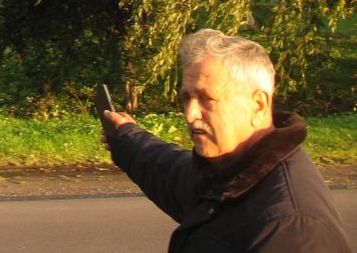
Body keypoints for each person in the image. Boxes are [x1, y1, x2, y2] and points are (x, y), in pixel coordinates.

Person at [102, 28, 352, 251]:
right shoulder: (230, 171)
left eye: (207, 99)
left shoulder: (292, 225)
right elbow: (171, 174)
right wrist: (126, 137)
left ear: (258, 105)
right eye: (187, 98)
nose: (190, 115)